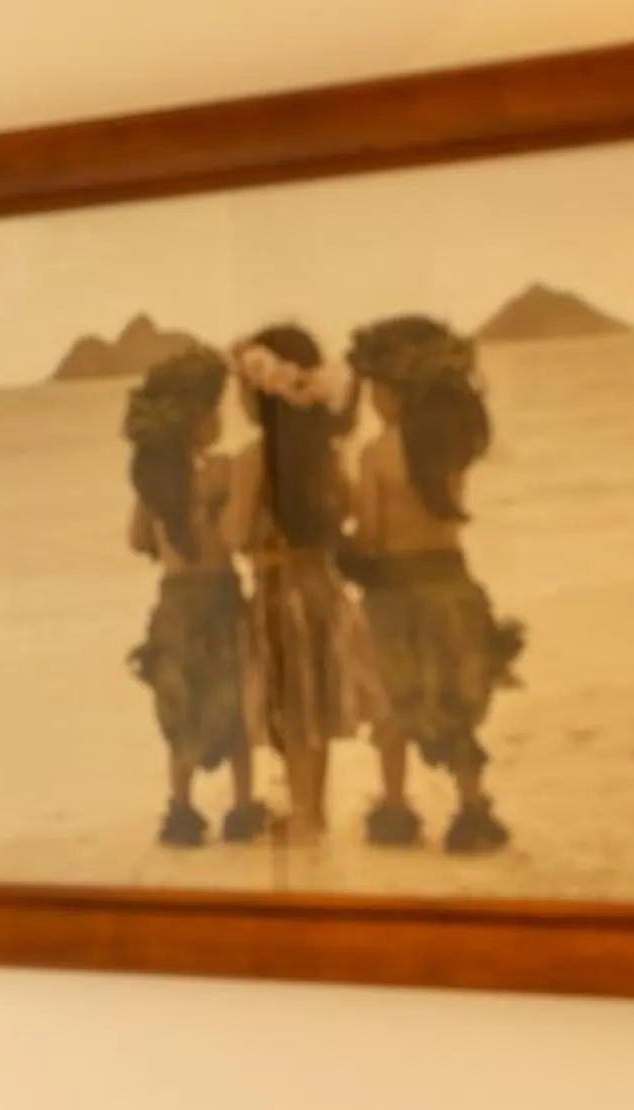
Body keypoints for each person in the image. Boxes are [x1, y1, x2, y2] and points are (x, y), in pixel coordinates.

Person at [341, 315, 525, 854]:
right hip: (453, 584)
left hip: (397, 594)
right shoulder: (447, 448)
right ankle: (472, 808)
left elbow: (371, 536)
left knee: (397, 703)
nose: (373, 400)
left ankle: (396, 809)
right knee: (454, 700)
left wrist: (341, 538)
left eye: (376, 389)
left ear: (394, 392)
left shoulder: (376, 454)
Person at [224, 323, 380, 843]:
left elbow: (233, 534)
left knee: (292, 714)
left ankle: (305, 815)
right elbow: (351, 511)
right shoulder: (325, 456)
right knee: (315, 707)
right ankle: (312, 810)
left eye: (243, 390)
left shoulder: (252, 460)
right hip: (322, 590)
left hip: (276, 595)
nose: (239, 400)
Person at [123, 347, 263, 848]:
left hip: (174, 604)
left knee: (181, 707)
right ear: (196, 420)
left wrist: (168, 540)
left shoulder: (153, 483)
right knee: (237, 704)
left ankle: (182, 810)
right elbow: (231, 538)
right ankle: (243, 807)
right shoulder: (222, 471)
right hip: (221, 599)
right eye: (214, 410)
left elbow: (137, 539)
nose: (220, 419)